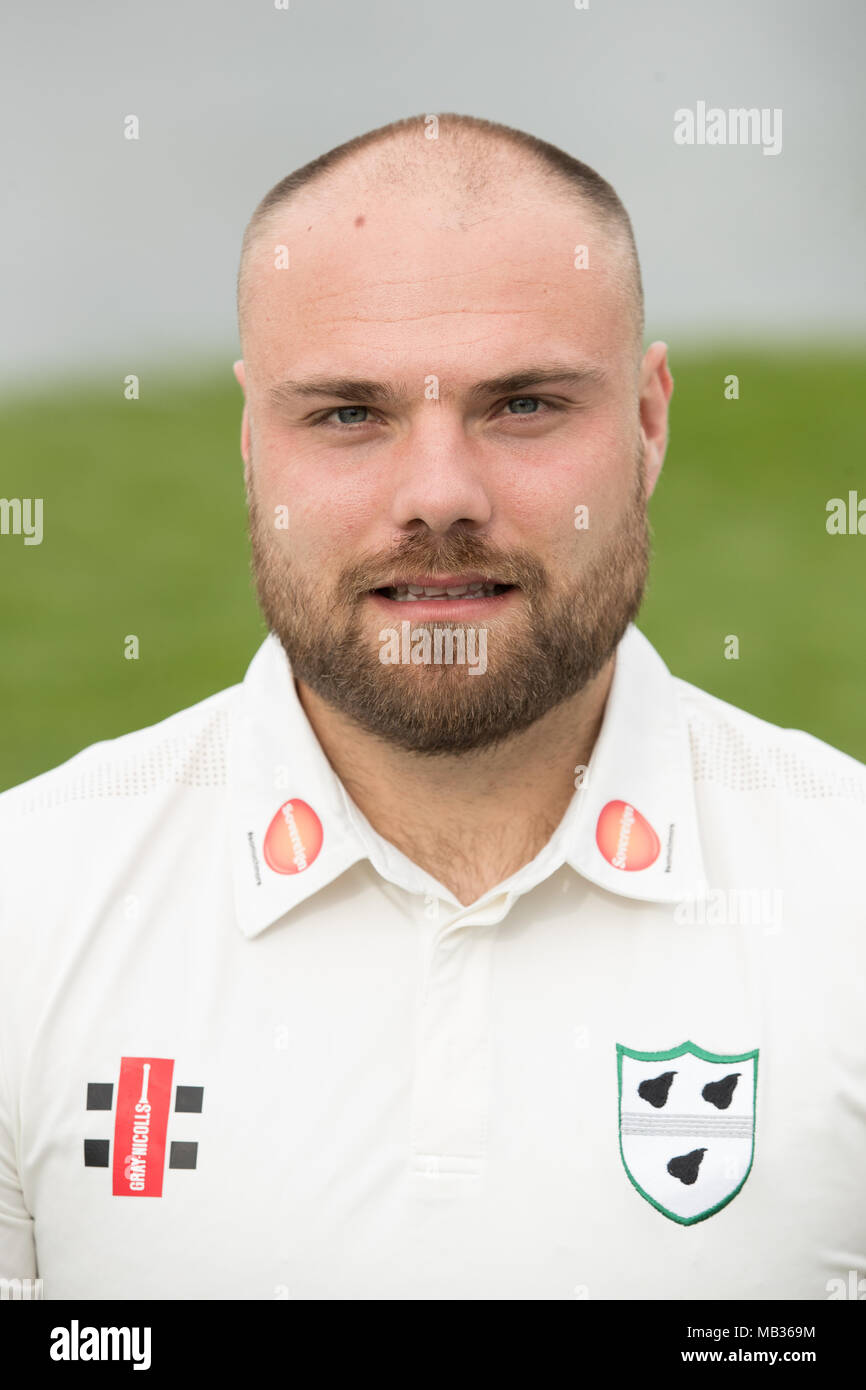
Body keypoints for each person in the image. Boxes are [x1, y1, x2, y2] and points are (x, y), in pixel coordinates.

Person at [1, 113, 863, 1301]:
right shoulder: (24, 909)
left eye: (523, 405)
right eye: (348, 414)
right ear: (254, 442)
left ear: (651, 420)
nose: (439, 496)